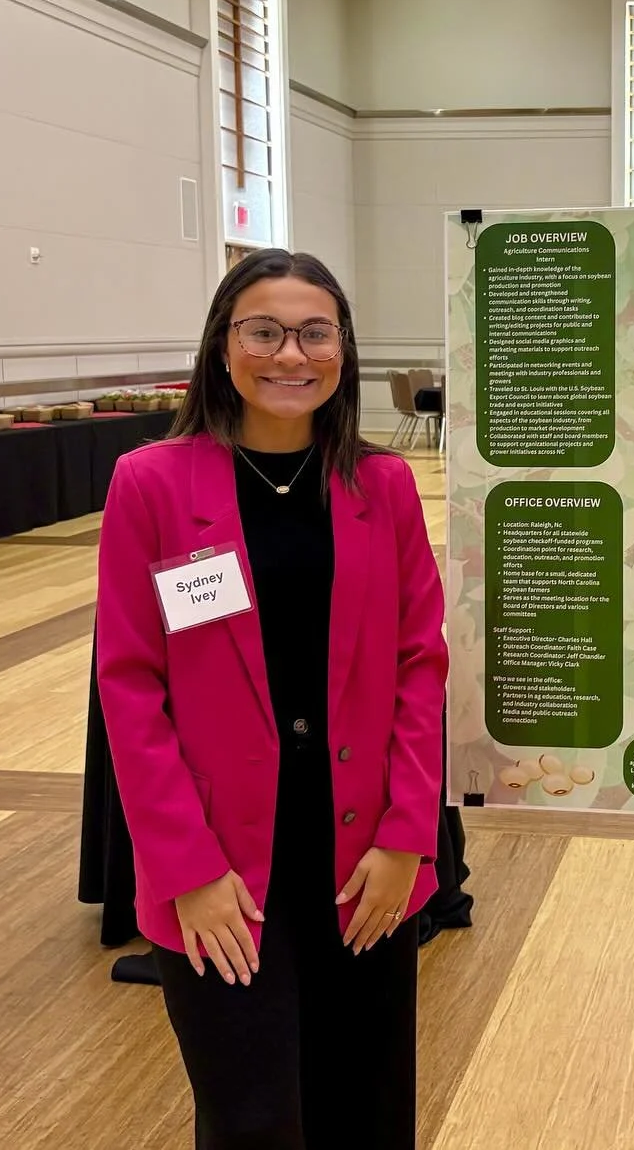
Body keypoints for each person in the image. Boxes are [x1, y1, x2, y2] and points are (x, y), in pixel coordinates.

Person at [95, 249, 448, 1149]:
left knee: (366, 1108)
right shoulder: (153, 484)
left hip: (363, 854)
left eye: (314, 331)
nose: (290, 354)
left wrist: (408, 837)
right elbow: (130, 688)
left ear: (343, 351)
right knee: (252, 1115)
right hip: (222, 867)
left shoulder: (384, 485)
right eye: (264, 330)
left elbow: (420, 663)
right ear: (223, 346)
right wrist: (186, 872)